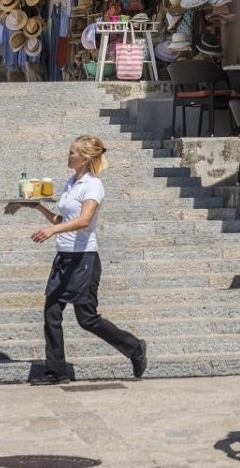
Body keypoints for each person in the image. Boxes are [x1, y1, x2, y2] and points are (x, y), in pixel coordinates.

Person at [12, 135, 148, 386]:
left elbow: (84, 220)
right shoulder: (70, 183)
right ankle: (56, 371)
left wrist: (53, 231)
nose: (68, 155)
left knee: (87, 319)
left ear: (84, 158)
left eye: (72, 152)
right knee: (51, 313)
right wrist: (37, 207)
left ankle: (134, 347)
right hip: (64, 258)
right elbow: (61, 221)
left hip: (84, 259)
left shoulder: (93, 185)